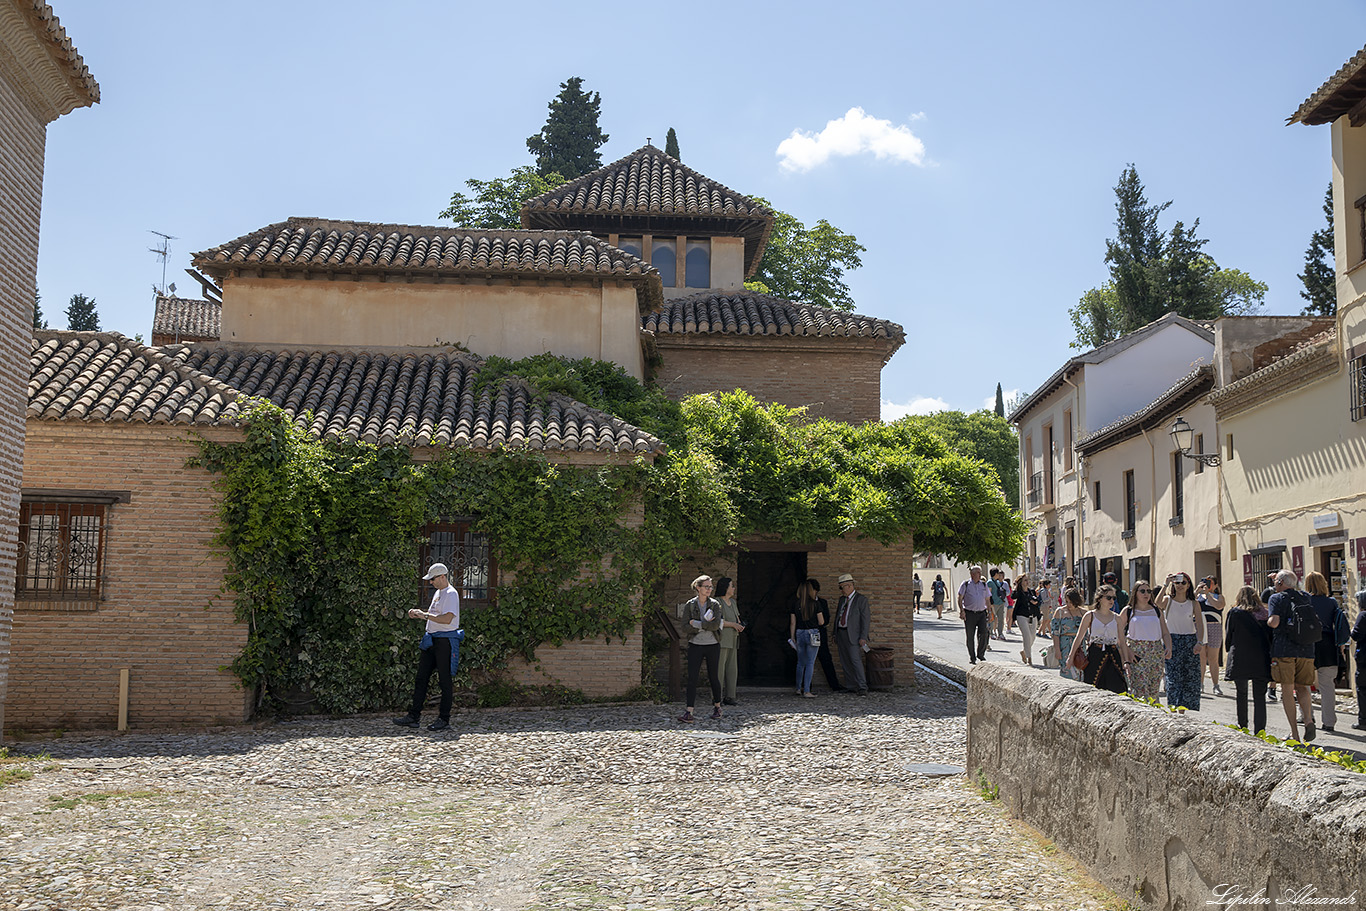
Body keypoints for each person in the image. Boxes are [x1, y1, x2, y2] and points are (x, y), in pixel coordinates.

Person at [393, 562, 463, 732]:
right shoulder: (439, 593)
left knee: (444, 681)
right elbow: (435, 616)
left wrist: (423, 615)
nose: (430, 582)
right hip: (432, 640)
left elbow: (447, 619)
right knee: (421, 678)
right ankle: (413, 716)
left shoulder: (451, 594)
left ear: (442, 577)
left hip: (444, 642)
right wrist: (420, 614)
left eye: (433, 579)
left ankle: (444, 719)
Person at [1266, 569, 1317, 742]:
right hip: (1306, 650)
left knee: (1287, 691)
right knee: (1303, 687)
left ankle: (1294, 734)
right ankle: (1308, 719)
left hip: (1284, 650)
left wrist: (1266, 619)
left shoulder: (1276, 598)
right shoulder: (1305, 597)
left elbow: (1274, 622)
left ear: (1280, 583)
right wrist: (1281, 580)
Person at [679, 575, 732, 723]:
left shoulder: (715, 605)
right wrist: (701, 626)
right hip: (695, 645)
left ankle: (717, 707)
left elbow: (715, 626)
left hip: (712, 644)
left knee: (713, 677)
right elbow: (684, 626)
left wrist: (696, 624)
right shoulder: (690, 605)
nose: (709, 589)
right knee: (692, 678)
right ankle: (689, 711)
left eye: (710, 587)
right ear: (698, 588)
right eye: (706, 587)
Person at [1224, 586, 1272, 733]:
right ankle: (1260, 729)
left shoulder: (1235, 612)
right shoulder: (1265, 613)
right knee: (1259, 696)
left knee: (1242, 693)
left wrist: (1228, 650)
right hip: (1261, 657)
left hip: (1241, 657)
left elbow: (1229, 634)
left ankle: (1242, 725)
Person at [1305, 571, 1348, 733]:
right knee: (1327, 686)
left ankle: (1308, 716)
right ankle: (1329, 721)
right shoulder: (1332, 602)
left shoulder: (1305, 600)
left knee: (1304, 683)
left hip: (1309, 644)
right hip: (1328, 645)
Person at [1157, 572, 1207, 710]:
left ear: (1188, 585)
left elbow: (1200, 624)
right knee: (1173, 676)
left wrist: (1200, 642)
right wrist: (1165, 583)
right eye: (1177, 582)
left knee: (1190, 677)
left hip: (1189, 640)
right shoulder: (1168, 600)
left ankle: (1183, 710)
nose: (1180, 585)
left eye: (1183, 583)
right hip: (1172, 640)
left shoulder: (1193, 603)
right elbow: (1157, 603)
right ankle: (1173, 706)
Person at [1065, 586, 1126, 693]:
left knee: (1117, 689)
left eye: (1113, 598)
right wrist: (1070, 657)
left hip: (1113, 657)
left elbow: (1122, 642)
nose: (1112, 601)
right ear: (1100, 598)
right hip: (1095, 655)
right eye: (1109, 598)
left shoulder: (1117, 618)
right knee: (1093, 687)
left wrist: (1126, 662)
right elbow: (1079, 637)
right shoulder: (1090, 615)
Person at [1117, 580, 1170, 699]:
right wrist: (1128, 651)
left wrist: (1168, 647)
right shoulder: (1128, 610)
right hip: (1137, 651)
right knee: (1140, 688)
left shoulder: (1156, 610)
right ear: (1135, 593)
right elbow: (1117, 633)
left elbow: (1165, 632)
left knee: (1154, 689)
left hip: (1156, 651)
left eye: (1148, 591)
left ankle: (1155, 714)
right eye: (1142, 591)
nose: (1146, 594)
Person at [834, 573, 871, 695]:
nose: (841, 590)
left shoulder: (861, 600)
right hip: (841, 633)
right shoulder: (842, 600)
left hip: (854, 636)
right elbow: (837, 616)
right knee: (845, 660)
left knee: (855, 661)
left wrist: (863, 637)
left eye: (842, 587)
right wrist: (835, 633)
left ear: (849, 586)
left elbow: (865, 620)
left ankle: (862, 686)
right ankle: (850, 685)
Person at [789, 579, 826, 698]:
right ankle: (807, 690)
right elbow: (821, 622)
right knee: (810, 663)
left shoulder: (796, 604)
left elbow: (792, 623)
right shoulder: (816, 604)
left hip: (800, 633)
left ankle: (798, 688)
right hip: (813, 633)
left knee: (800, 663)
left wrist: (792, 636)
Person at [810, 578, 844, 692]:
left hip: (820, 634)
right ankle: (806, 686)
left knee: (826, 659)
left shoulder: (822, 602)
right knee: (806, 660)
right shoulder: (803, 602)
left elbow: (826, 619)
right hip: (807, 633)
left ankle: (834, 685)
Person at [715, 577, 744, 706]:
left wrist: (738, 625)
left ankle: (730, 696)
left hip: (733, 639)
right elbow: (717, 621)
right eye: (731, 586)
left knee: (732, 669)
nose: (733, 588)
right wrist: (732, 624)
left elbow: (737, 618)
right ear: (725, 587)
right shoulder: (717, 602)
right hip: (721, 640)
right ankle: (716, 697)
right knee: (719, 670)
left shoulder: (733, 603)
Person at [1196, 577, 1225, 696]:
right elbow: (1188, 604)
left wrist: (1208, 594)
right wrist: (1198, 590)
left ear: (1215, 585)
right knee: (1201, 657)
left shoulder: (1219, 597)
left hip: (1214, 626)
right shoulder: (1197, 597)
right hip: (1200, 626)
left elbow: (1219, 606)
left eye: (1210, 583)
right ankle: (1200, 684)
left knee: (1213, 658)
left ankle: (1215, 685)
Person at [958, 565, 992, 665]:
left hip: (981, 613)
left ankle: (980, 654)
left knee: (984, 633)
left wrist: (990, 612)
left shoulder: (983, 585)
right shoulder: (966, 584)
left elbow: (987, 600)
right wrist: (961, 611)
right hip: (969, 613)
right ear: (972, 574)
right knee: (970, 636)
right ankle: (972, 657)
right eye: (977, 572)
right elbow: (960, 598)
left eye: (980, 572)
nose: (980, 574)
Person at [1051, 588, 1087, 680]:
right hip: (1065, 644)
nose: (1068, 604)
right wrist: (1057, 649)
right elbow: (1055, 633)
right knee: (1066, 669)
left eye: (1071, 602)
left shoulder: (1083, 613)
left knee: (1080, 667)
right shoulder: (1060, 612)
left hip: (1080, 645)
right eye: (1067, 601)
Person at [1007, 575, 1041, 665]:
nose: (1027, 582)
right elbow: (1013, 596)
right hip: (1021, 615)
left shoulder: (1031, 591)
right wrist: (1015, 587)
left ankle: (1024, 652)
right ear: (1021, 582)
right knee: (1026, 636)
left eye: (1028, 580)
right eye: (1025, 580)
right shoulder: (1018, 592)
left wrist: (1034, 601)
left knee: (1032, 637)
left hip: (1032, 616)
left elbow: (1037, 601)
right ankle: (1029, 658)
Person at [1352, 589, 1366, 732]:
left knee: (1362, 689)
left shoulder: (1363, 615)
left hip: (1364, 659)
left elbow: (1356, 635)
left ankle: (1363, 720)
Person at [989, 568, 1010, 640]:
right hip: (994, 603)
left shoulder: (997, 582)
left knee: (1001, 619)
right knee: (992, 619)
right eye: (998, 573)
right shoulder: (990, 582)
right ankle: (991, 632)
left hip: (1000, 602)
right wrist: (990, 604)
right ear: (995, 574)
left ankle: (1000, 633)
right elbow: (989, 594)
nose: (999, 575)